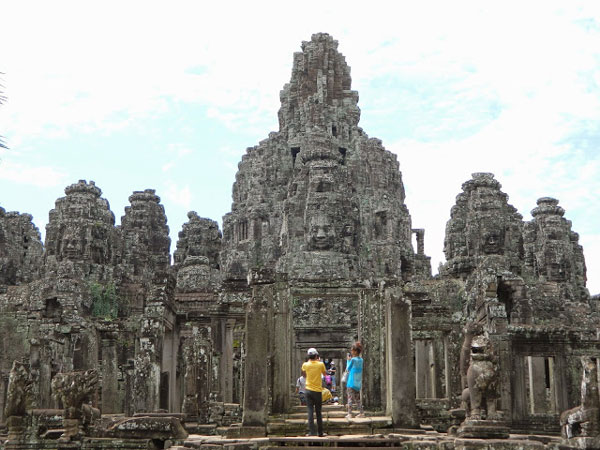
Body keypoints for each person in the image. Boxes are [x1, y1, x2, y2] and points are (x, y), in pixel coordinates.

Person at [301, 347, 327, 436]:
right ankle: (320, 433)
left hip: (308, 390)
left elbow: (304, 375)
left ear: (308, 356)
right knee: (318, 412)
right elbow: (324, 374)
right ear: (316, 355)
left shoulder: (305, 365)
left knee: (310, 411)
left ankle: (312, 432)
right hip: (317, 391)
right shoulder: (320, 364)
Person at [345, 342, 364, 419]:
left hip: (351, 381)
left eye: (352, 350)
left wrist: (348, 361)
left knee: (350, 398)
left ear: (355, 351)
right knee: (357, 399)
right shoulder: (361, 360)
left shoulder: (353, 360)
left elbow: (347, 369)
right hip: (357, 382)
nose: (351, 352)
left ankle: (350, 413)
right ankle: (361, 413)